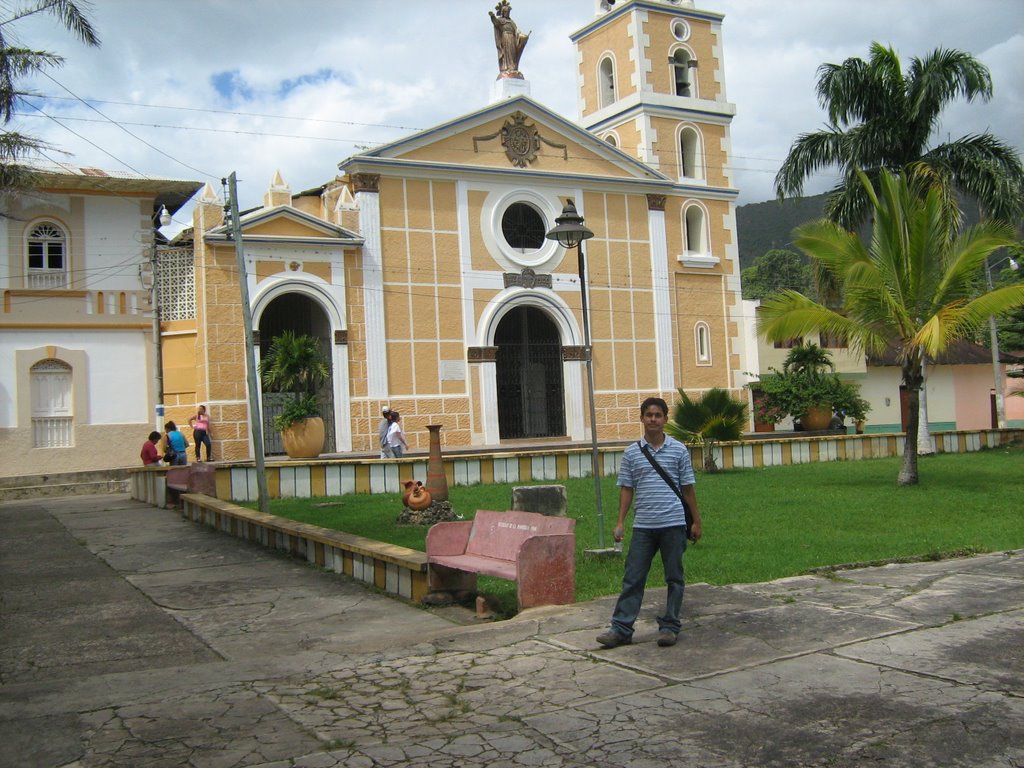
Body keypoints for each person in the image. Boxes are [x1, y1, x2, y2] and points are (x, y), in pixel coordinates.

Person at [596, 396, 703, 649]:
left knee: (674, 577)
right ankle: (621, 628)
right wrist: (620, 522)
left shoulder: (678, 450)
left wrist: (696, 521)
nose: (653, 419)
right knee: (633, 577)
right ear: (642, 418)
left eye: (658, 415)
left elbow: (688, 488)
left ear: (666, 419)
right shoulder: (632, 452)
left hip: (673, 523)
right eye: (649, 415)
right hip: (644, 525)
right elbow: (626, 489)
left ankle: (669, 626)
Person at [489, 0, 529, 77]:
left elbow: (517, 31)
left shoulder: (511, 22)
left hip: (512, 38)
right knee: (507, 53)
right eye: (506, 12)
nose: (507, 13)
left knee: (512, 53)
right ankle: (506, 68)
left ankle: (513, 68)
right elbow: (496, 23)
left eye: (508, 12)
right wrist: (492, 16)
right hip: (505, 37)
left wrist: (523, 36)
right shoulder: (501, 20)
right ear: (503, 12)